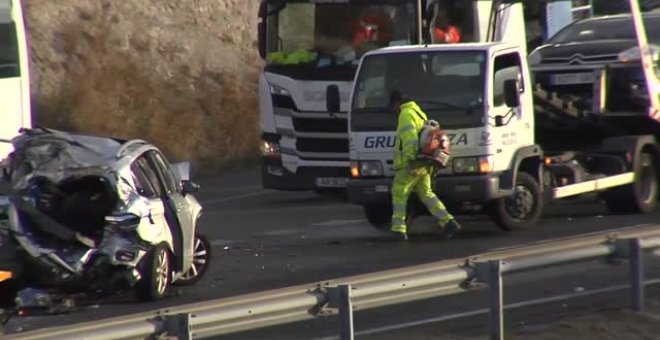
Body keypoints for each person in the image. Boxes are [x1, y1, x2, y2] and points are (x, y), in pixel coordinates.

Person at [389, 90, 462, 241]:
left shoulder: (406, 114)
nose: (393, 109)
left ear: (397, 102)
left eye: (393, 105)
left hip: (410, 163)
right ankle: (448, 221)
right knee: (427, 194)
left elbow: (409, 139)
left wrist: (410, 158)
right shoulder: (419, 113)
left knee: (399, 193)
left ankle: (398, 228)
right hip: (424, 163)